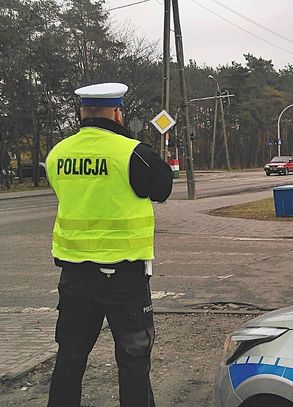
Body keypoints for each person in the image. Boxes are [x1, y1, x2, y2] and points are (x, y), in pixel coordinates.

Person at [45, 82, 173, 407]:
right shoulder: (132, 153)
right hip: (124, 278)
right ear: (118, 113)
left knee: (70, 358)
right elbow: (162, 189)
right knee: (133, 360)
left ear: (80, 113)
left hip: (74, 277)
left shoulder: (57, 154)